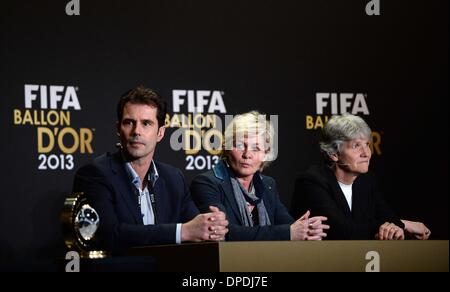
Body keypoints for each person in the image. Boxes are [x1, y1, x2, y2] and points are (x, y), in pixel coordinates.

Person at [73, 85, 228, 252]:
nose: (136, 131)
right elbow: (108, 235)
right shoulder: (95, 174)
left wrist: (212, 227)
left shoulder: (173, 178)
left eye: (146, 123)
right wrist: (181, 232)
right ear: (118, 129)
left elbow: (196, 227)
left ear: (160, 132)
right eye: (129, 122)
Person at [191, 111, 329, 241]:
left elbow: (288, 224)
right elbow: (224, 233)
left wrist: (307, 229)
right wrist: (288, 233)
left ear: (266, 153)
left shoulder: (267, 184)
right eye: (240, 145)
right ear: (225, 147)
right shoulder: (206, 183)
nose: (247, 154)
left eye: (256, 148)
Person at [290, 113, 431, 240]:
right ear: (334, 153)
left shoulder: (365, 180)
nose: (366, 153)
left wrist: (393, 227)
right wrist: (403, 224)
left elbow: (387, 217)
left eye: (367, 144)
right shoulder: (311, 182)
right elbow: (342, 232)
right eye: (356, 146)